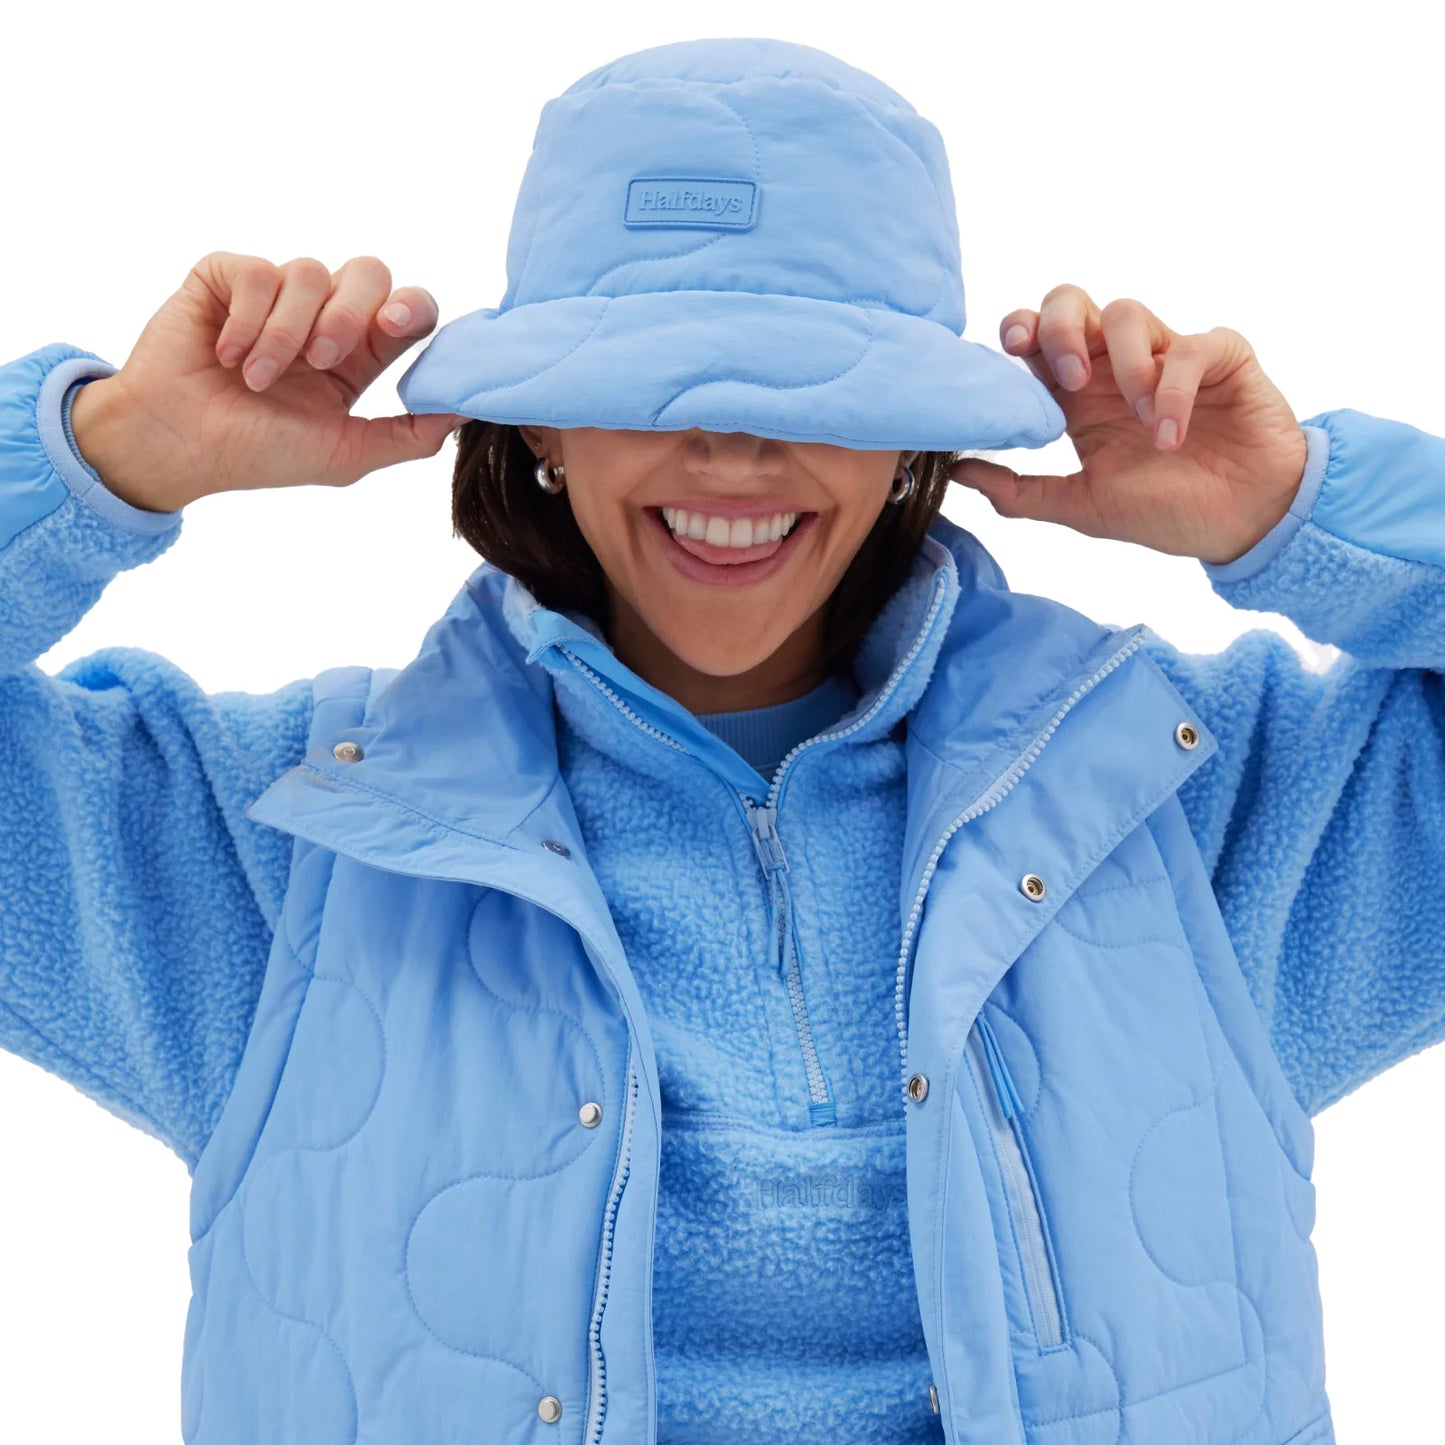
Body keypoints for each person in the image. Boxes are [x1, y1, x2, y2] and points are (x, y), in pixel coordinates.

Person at [1, 33, 1439, 1445]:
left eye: (815, 393)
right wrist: (111, 454)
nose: (734, 453)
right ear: (545, 423)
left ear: (905, 442)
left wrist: (1296, 509)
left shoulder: (1189, 808)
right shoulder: (274, 844)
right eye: (653, 385)